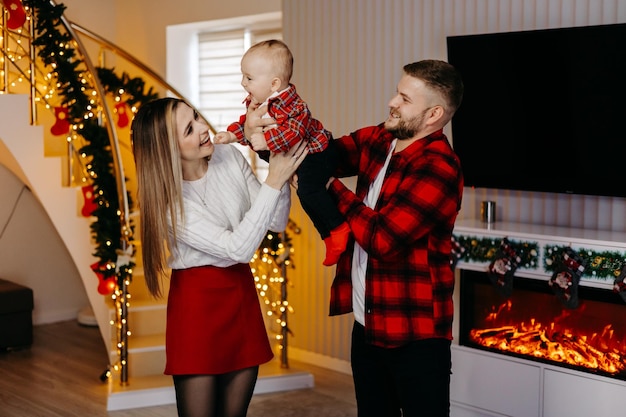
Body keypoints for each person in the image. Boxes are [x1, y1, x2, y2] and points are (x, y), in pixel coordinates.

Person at [131, 97, 307, 417]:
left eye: (197, 117)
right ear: (168, 149)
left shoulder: (228, 156)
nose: (203, 128)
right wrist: (275, 181)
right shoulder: (171, 204)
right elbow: (237, 248)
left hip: (239, 291)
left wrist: (277, 172)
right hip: (197, 305)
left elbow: (276, 221)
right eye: (189, 129)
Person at [326, 60, 464, 417]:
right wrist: (275, 134)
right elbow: (327, 155)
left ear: (433, 114)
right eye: (397, 92)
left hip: (415, 335)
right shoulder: (382, 138)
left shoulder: (439, 167)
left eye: (404, 98)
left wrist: (335, 191)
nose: (392, 102)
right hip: (368, 321)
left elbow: (382, 238)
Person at [215, 39, 350, 266]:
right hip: (295, 155)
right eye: (243, 76)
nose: (242, 83)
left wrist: (266, 140)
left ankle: (338, 227)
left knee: (309, 191)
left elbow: (295, 133)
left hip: (317, 152)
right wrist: (231, 135)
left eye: (248, 78)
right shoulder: (257, 102)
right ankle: (328, 236)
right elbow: (247, 125)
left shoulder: (294, 106)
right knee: (305, 196)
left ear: (274, 83)